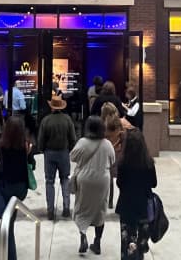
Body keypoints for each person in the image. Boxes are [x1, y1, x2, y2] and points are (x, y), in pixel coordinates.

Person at [71, 116, 115, 255]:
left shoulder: (82, 143)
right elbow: (112, 160)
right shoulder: (107, 144)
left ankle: (83, 236)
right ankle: (97, 243)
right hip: (102, 180)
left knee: (81, 208)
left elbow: (72, 157)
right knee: (100, 210)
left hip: (85, 179)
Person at [0, 116, 32, 260]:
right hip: (20, 188)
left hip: (6, 187)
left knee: (7, 224)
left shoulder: (2, 147)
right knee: (9, 220)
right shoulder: (25, 146)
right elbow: (31, 165)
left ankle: (11, 256)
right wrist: (28, 155)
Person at [116, 129, 158, 260]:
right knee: (141, 241)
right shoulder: (148, 163)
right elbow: (154, 183)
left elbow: (119, 183)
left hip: (126, 206)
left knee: (127, 241)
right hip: (143, 206)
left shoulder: (123, 164)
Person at [37, 94, 77, 220]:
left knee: (50, 181)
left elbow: (41, 140)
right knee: (65, 179)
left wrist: (42, 149)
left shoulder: (46, 120)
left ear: (52, 107)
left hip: (49, 153)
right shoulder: (67, 120)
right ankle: (66, 208)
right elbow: (73, 138)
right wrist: (69, 149)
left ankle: (50, 210)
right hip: (63, 153)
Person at [101, 102, 134, 208]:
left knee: (109, 179)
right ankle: (122, 202)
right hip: (120, 153)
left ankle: (109, 202)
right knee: (122, 179)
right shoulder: (122, 123)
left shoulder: (102, 125)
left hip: (107, 154)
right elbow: (133, 131)